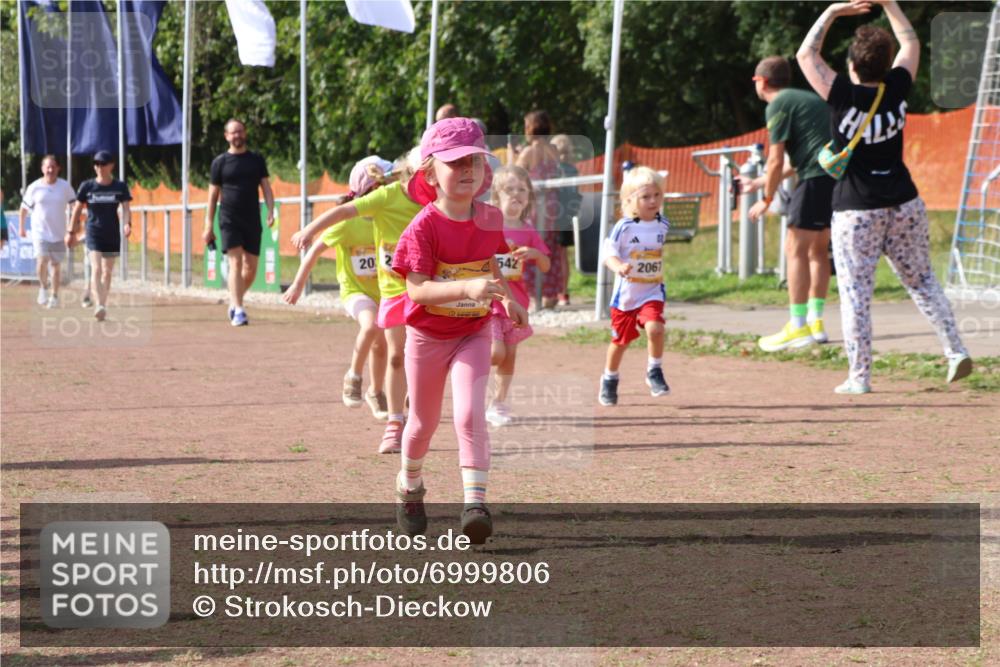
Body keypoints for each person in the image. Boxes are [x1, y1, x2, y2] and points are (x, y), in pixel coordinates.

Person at [797, 0, 972, 393]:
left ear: (852, 65)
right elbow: (911, 44)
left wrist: (833, 12)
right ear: (885, 63)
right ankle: (955, 349)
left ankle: (859, 377)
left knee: (856, 294)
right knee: (923, 280)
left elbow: (805, 53)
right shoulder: (897, 88)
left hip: (857, 209)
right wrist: (890, 4)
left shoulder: (839, 94)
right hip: (905, 202)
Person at [391, 117, 528, 543]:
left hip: (473, 330)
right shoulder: (423, 227)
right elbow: (416, 291)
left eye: (475, 161)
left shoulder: (489, 217)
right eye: (456, 163)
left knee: (470, 414)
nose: (468, 170)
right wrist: (465, 287)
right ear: (430, 172)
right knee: (422, 425)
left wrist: (507, 298)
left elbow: (490, 265)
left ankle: (475, 504)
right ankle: (409, 487)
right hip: (428, 338)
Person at [292, 149, 422, 454]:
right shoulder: (378, 204)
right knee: (386, 345)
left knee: (395, 350)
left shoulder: (427, 204)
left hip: (409, 289)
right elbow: (333, 225)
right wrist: (307, 239)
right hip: (367, 292)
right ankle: (360, 382)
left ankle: (379, 393)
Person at [283, 157, 391, 420]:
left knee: (381, 346)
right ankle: (353, 376)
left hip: (385, 291)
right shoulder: (347, 222)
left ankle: (376, 392)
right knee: (370, 327)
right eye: (386, 182)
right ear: (372, 189)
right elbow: (315, 250)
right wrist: (297, 284)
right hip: (356, 292)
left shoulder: (387, 217)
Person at [740, 56, 836, 352]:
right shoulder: (806, 99)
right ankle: (815, 321)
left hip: (815, 180)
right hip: (834, 178)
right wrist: (758, 183)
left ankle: (797, 327)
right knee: (818, 251)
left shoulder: (777, 104)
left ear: (761, 81)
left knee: (794, 249)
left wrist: (767, 199)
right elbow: (802, 158)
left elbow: (775, 158)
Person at [598, 166, 671, 407]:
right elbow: (608, 252)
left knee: (656, 329)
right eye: (645, 196)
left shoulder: (663, 224)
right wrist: (618, 265)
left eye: (657, 195)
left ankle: (654, 370)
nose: (653, 201)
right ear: (630, 200)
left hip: (652, 291)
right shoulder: (624, 226)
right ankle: (609, 378)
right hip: (626, 297)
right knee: (621, 343)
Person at [486, 165, 551, 426]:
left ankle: (498, 403)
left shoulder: (528, 230)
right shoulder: (488, 225)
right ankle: (468, 382)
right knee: (495, 353)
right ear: (496, 196)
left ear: (529, 198)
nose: (516, 195)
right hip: (489, 300)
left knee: (509, 355)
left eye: (522, 190)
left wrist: (535, 255)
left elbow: (545, 265)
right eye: (509, 189)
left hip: (518, 302)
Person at [204, 118, 275, 327]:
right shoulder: (220, 163)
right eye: (233, 132)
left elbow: (266, 188)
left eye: (240, 131)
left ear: (245, 133)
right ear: (226, 136)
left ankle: (235, 301)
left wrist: (271, 210)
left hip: (252, 217)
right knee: (235, 262)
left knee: (251, 268)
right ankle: (239, 311)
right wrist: (208, 224)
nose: (237, 136)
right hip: (228, 218)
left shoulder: (256, 159)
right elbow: (212, 196)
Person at [67, 151, 132, 321]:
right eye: (96, 164)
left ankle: (102, 303)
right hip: (93, 232)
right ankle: (99, 305)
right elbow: (77, 209)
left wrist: (127, 224)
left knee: (107, 272)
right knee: (96, 268)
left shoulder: (120, 186)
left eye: (103, 164)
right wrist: (70, 231)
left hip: (111, 234)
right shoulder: (87, 186)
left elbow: (126, 208)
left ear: (111, 165)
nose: (99, 167)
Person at [517, 110, 566, 308]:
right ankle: (550, 293)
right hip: (553, 205)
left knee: (530, 246)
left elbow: (516, 174)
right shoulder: (553, 150)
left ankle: (531, 294)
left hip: (535, 204)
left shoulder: (529, 152)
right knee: (550, 249)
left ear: (530, 128)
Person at [20, 155, 76, 308]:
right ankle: (44, 287)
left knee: (56, 265)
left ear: (58, 168)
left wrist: (74, 226)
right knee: (42, 260)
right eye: (47, 167)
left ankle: (55, 296)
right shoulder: (34, 187)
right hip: (40, 232)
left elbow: (74, 205)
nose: (50, 170)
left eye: (53, 166)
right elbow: (24, 209)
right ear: (42, 169)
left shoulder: (65, 186)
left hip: (59, 232)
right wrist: (21, 228)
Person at [550, 134, 582, 306]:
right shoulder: (573, 169)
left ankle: (556, 291)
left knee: (556, 255)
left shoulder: (554, 169)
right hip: (567, 216)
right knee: (563, 256)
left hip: (554, 216)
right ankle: (563, 291)